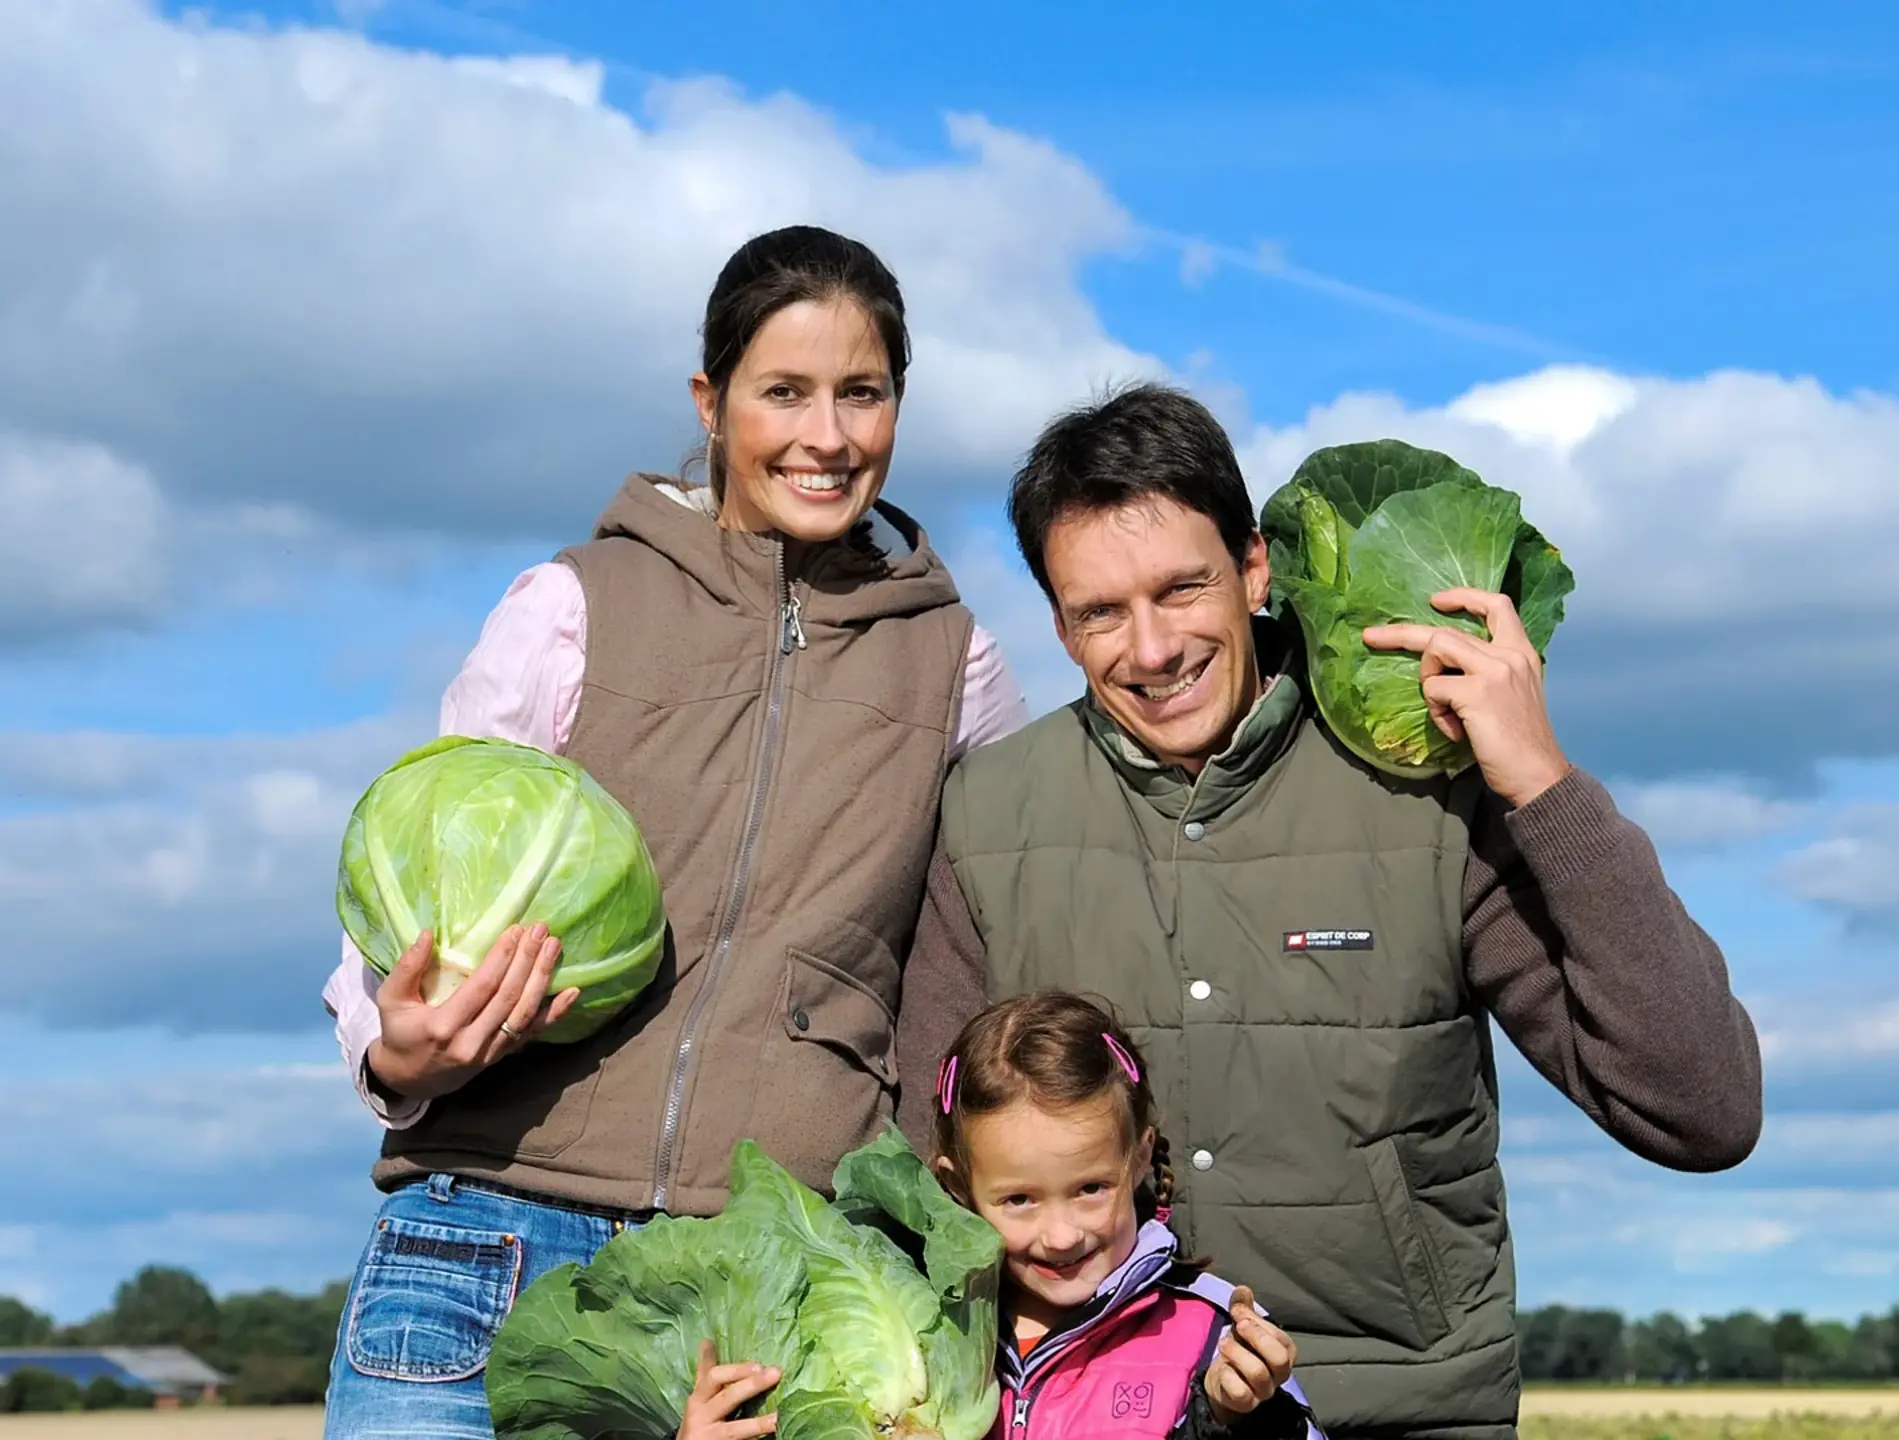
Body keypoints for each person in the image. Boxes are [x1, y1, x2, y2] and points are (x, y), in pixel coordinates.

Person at [904, 383, 1766, 1440]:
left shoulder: (1427, 788)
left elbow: (1703, 1110)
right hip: (1111, 1415)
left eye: (1182, 590)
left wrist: (1542, 783)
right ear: (1057, 623)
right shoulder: (990, 815)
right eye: (1100, 613)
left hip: (1400, 1405)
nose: (1153, 648)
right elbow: (922, 1183)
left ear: (1255, 568)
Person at [318, 224, 1028, 1439]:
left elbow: (981, 952)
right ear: (710, 401)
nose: (828, 435)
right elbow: (409, 900)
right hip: (481, 1236)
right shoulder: (572, 606)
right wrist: (394, 1058)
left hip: (751, 1291)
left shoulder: (955, 666)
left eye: (863, 393)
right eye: (784, 392)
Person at [677, 990, 1328, 1440]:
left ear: (1140, 1159)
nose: (1063, 1233)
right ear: (956, 1190)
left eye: (1091, 1188)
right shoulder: (913, 1332)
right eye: (1019, 1200)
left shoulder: (1209, 1334)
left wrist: (1239, 1417)